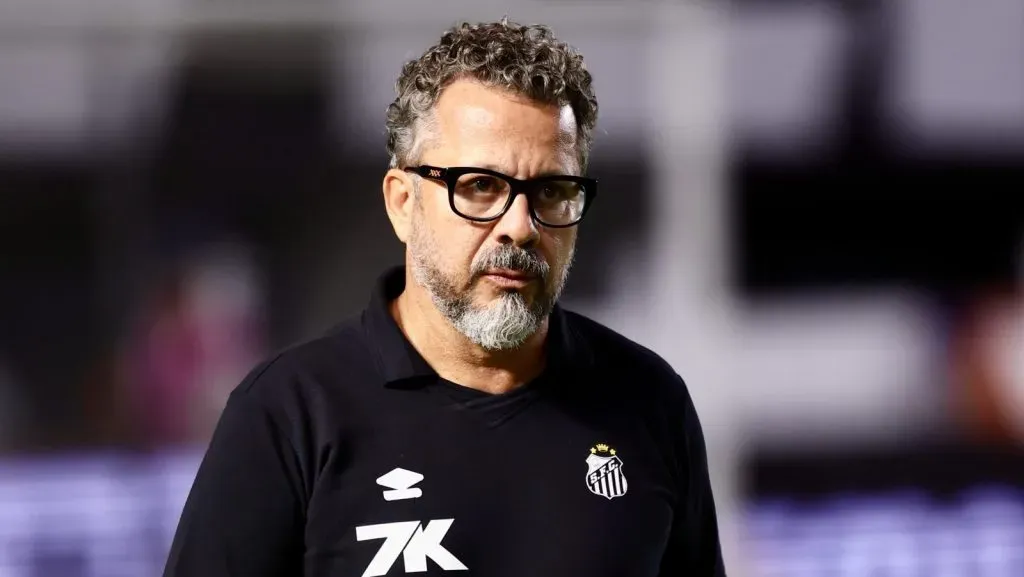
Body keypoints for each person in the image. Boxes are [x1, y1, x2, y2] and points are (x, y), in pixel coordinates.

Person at [163, 18, 726, 577]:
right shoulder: (290, 414)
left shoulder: (649, 403)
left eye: (551, 191)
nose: (520, 226)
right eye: (481, 187)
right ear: (403, 203)